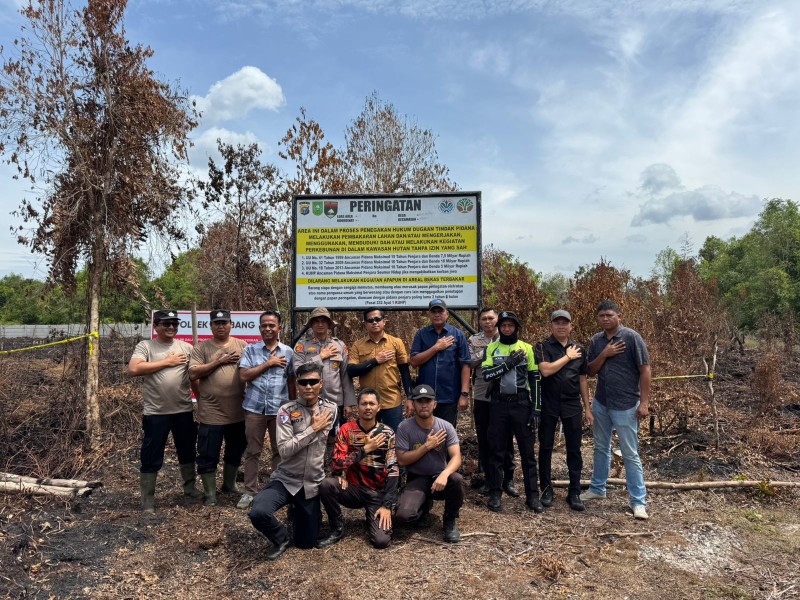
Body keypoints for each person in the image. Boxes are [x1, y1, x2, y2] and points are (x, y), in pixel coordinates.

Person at [248, 363, 336, 560]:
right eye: (303, 382)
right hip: (286, 479)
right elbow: (285, 450)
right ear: (297, 384)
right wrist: (312, 429)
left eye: (313, 381)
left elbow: (331, 442)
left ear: (321, 383)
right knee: (258, 512)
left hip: (311, 483)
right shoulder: (286, 411)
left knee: (306, 543)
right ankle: (281, 538)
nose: (308, 386)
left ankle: (300, 510)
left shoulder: (331, 409)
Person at [580, 300, 651, 520]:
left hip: (627, 405)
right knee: (601, 448)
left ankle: (638, 502)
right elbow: (590, 371)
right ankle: (597, 489)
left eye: (609, 315)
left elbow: (645, 370)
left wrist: (644, 403)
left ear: (619, 316)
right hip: (601, 403)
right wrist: (605, 353)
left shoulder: (631, 338)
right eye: (601, 316)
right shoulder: (597, 340)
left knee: (630, 453)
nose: (605, 319)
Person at [128, 309, 200, 513]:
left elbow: (193, 378)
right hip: (156, 413)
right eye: (166, 324)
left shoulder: (186, 347)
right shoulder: (146, 346)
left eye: (174, 324)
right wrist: (167, 362)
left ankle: (190, 489)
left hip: (183, 410)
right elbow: (133, 369)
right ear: (156, 326)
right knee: (151, 455)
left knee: (187, 451)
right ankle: (148, 500)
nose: (170, 327)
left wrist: (201, 401)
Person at [316, 388, 399, 549]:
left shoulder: (387, 433)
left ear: (378, 407)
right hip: (353, 489)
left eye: (371, 404)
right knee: (327, 485)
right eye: (364, 404)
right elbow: (336, 463)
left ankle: (374, 516)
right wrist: (365, 450)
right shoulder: (346, 430)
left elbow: (393, 470)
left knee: (381, 542)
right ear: (358, 407)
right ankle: (337, 527)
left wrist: (387, 505)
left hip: (377, 493)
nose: (368, 407)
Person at [482, 310, 543, 513]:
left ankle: (533, 496)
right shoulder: (491, 348)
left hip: (522, 404)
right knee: (497, 450)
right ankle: (495, 494)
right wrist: (509, 363)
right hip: (498, 404)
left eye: (511, 325)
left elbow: (535, 378)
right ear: (499, 328)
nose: (507, 329)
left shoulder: (527, 348)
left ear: (517, 327)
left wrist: (536, 409)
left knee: (527, 452)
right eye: (504, 325)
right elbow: (488, 375)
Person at [188, 309, 247, 506]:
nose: (221, 326)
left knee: (236, 449)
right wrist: (218, 362)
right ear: (210, 326)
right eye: (216, 323)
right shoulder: (202, 348)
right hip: (211, 413)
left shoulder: (242, 346)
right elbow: (194, 373)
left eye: (224, 322)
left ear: (231, 324)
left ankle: (229, 485)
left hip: (238, 412)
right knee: (207, 453)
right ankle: (210, 493)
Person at [535, 310, 592, 511]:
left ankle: (574, 491)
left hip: (572, 404)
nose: (561, 326)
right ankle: (546, 489)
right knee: (546, 447)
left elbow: (582, 379)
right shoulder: (542, 346)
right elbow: (546, 370)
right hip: (549, 403)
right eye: (557, 322)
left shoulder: (580, 349)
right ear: (551, 325)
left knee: (574, 448)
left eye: (565, 323)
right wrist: (567, 357)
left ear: (570, 326)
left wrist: (587, 408)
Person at [237, 310, 295, 510]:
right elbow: (244, 375)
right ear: (260, 328)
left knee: (281, 451)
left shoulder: (288, 352)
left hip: (280, 410)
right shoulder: (251, 351)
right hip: (255, 409)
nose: (268, 328)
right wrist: (268, 363)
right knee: (253, 451)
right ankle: (249, 491)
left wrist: (293, 406)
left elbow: (291, 380)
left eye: (272, 325)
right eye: (264, 325)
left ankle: (276, 489)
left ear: (279, 327)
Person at [395, 384, 464, 543]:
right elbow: (402, 459)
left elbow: (456, 457)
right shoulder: (405, 427)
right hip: (417, 478)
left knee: (457, 480)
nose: (424, 404)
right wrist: (426, 447)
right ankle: (423, 506)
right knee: (404, 517)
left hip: (439, 479)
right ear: (414, 404)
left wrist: (444, 474)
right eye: (419, 401)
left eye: (428, 401)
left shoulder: (446, 426)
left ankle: (450, 520)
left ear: (435, 404)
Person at [468, 307, 518, 497]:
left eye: (491, 318)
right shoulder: (474, 340)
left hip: (505, 392)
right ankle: (490, 479)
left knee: (506, 437)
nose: (488, 322)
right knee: (485, 437)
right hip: (482, 393)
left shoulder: (508, 336)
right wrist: (487, 352)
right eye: (484, 319)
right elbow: (470, 362)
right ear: (480, 322)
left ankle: (508, 479)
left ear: (497, 320)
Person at [293, 307, 355, 445]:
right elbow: (297, 370)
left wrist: (348, 403)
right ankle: (316, 466)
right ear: (311, 324)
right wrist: (320, 357)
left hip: (336, 401)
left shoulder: (339, 345)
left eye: (323, 321)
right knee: (312, 438)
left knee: (336, 440)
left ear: (329, 324)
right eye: (316, 321)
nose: (320, 324)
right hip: (310, 402)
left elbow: (345, 375)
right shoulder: (302, 346)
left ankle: (333, 466)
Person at [347, 308, 413, 434]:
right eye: (370, 320)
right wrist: (375, 361)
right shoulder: (358, 345)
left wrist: (410, 398)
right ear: (365, 324)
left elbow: (404, 371)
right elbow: (351, 371)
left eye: (377, 319)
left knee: (393, 439)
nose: (374, 322)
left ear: (384, 322)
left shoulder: (396, 343)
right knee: (369, 439)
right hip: (368, 404)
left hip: (392, 401)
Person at [409, 299, 472, 428]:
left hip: (449, 395)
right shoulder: (422, 334)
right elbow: (414, 361)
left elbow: (465, 365)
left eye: (440, 311)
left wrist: (464, 394)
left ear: (447, 314)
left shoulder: (458, 335)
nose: (437, 314)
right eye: (434, 312)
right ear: (429, 315)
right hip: (424, 395)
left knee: (446, 433)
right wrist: (436, 348)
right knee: (424, 433)